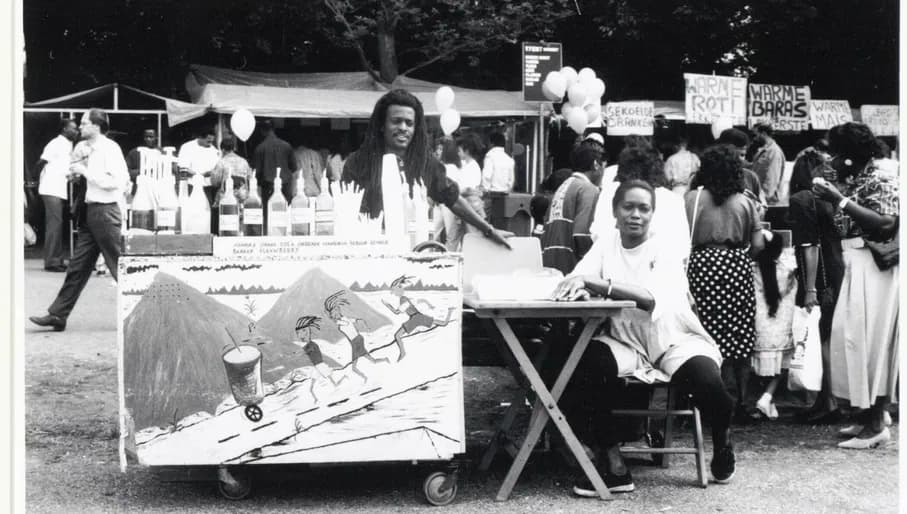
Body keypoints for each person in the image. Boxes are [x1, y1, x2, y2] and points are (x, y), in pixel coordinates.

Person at [554, 180, 735, 495]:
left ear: (652, 214)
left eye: (643, 208)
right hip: (624, 337)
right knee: (587, 366)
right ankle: (613, 462)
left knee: (709, 383)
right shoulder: (607, 243)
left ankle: (722, 442)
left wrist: (598, 284)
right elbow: (577, 276)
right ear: (615, 211)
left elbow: (650, 299)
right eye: (628, 207)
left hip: (671, 336)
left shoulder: (664, 247)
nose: (635, 215)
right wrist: (578, 285)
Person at [810, 122, 898, 449]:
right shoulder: (860, 178)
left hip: (874, 268)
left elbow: (887, 224)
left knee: (871, 342)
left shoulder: (882, 177)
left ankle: (876, 425)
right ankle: (868, 416)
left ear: (851, 154)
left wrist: (840, 200)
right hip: (857, 264)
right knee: (853, 339)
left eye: (838, 151)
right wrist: (837, 195)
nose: (833, 158)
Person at [340, 88, 510, 249]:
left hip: (413, 252)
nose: (403, 128)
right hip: (370, 254)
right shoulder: (358, 162)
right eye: (396, 121)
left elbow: (453, 199)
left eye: (409, 123)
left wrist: (489, 230)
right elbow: (344, 212)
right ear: (382, 125)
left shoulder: (425, 163)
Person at [29, 108, 130, 332]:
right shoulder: (89, 149)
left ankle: (142, 312)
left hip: (105, 212)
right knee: (77, 267)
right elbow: (94, 179)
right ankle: (58, 314)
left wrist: (84, 172)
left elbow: (116, 181)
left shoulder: (109, 149)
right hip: (91, 212)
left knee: (118, 265)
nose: (80, 127)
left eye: (84, 123)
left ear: (96, 125)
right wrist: (77, 175)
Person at [685, 144, 765, 423]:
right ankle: (741, 402)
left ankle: (697, 404)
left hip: (700, 266)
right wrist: (738, 258)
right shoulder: (746, 202)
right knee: (740, 336)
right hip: (735, 267)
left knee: (701, 332)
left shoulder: (692, 199)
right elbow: (757, 245)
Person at [786, 143, 845, 424]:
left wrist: (809, 288)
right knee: (830, 333)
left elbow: (809, 246)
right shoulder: (832, 197)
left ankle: (828, 400)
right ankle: (828, 398)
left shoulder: (801, 199)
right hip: (839, 265)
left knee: (823, 334)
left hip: (821, 273)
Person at [589, 140, 690, 263]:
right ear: (658, 168)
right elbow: (682, 248)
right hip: (660, 272)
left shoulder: (610, 192)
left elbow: (598, 234)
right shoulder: (673, 200)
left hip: (615, 270)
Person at [751, 231, 798, 419]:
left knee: (764, 366)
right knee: (781, 365)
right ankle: (768, 396)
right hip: (780, 329)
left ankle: (767, 400)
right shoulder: (786, 270)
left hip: (760, 330)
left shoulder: (752, 269)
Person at [541, 144, 603, 275]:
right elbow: (581, 235)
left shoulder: (563, 186)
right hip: (570, 268)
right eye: (604, 166)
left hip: (551, 265)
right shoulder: (588, 189)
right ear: (596, 164)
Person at [35, 118, 79, 271]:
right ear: (64, 129)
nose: (76, 131)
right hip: (50, 188)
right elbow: (41, 162)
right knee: (54, 224)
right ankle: (52, 262)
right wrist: (39, 181)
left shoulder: (68, 145)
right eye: (73, 128)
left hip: (58, 189)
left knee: (57, 224)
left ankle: (57, 259)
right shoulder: (56, 143)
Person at [381, 276, 456, 361]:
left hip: (415, 319)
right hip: (419, 316)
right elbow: (421, 300)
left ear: (399, 289)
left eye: (393, 290)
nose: (393, 293)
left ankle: (402, 353)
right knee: (443, 323)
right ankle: (450, 311)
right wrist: (429, 304)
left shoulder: (403, 299)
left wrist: (387, 305)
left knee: (397, 336)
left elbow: (396, 312)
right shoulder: (407, 298)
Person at [717, 128, 767, 209]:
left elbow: (763, 207)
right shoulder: (706, 176)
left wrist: (756, 206)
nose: (738, 160)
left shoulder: (751, 177)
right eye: (730, 155)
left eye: (742, 155)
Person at [253, 119, 299, 204]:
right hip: (285, 186)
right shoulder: (286, 146)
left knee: (269, 214)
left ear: (262, 131)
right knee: (285, 213)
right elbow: (294, 168)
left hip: (268, 186)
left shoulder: (260, 148)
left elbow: (257, 172)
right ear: (274, 129)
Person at [177, 127, 220, 204]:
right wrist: (197, 175)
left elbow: (216, 169)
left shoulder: (214, 150)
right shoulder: (187, 147)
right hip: (190, 186)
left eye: (212, 141)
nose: (210, 144)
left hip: (208, 188)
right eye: (208, 141)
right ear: (200, 137)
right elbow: (182, 168)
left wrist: (211, 173)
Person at [454, 132, 487, 227]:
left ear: (466, 151)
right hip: (464, 205)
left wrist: (456, 191)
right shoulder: (465, 165)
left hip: (469, 206)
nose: (458, 153)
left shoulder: (473, 167)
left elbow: (469, 189)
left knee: (471, 234)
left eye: (459, 150)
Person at [751, 123, 786, 205]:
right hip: (760, 197)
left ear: (763, 134)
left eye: (755, 135)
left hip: (767, 200)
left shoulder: (774, 152)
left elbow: (771, 178)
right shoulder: (765, 150)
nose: (754, 138)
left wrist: (764, 199)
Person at [211, 136, 251, 205]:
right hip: (242, 197)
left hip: (226, 198)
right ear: (233, 148)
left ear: (223, 150)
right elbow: (249, 177)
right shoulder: (244, 161)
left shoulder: (222, 162)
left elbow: (215, 182)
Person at [125, 128, 161, 199]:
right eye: (146, 137)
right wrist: (142, 171)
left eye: (151, 137)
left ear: (156, 138)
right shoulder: (134, 153)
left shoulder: (161, 153)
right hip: (138, 191)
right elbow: (126, 172)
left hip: (158, 191)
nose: (148, 139)